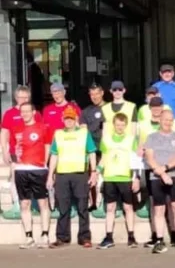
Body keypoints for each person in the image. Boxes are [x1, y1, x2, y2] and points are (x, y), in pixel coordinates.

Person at [3, 101, 52, 249]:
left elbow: (47, 146)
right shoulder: (16, 128)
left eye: (27, 111)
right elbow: (12, 148)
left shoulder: (43, 127)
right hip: (21, 170)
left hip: (38, 170)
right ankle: (29, 237)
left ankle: (44, 235)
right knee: (24, 203)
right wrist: (13, 162)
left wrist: (45, 164)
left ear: (33, 112)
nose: (24, 114)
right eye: (22, 111)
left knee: (43, 203)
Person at [47, 107, 97, 248]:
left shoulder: (83, 133)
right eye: (66, 118)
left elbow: (92, 152)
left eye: (71, 118)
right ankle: (62, 238)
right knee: (63, 208)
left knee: (82, 207)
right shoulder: (58, 134)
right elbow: (54, 155)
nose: (69, 121)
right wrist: (50, 175)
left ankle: (84, 237)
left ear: (75, 119)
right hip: (62, 174)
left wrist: (93, 171)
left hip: (80, 174)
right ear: (63, 120)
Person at [144, 112, 175, 254]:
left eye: (170, 120)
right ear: (160, 120)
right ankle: (159, 240)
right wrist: (162, 173)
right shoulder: (151, 138)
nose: (167, 122)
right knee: (159, 210)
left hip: (174, 176)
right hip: (156, 176)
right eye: (165, 120)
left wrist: (166, 168)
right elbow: (149, 158)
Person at [98, 113, 140, 249]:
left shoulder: (131, 139)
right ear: (114, 125)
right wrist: (97, 172)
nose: (120, 127)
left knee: (128, 207)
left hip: (125, 178)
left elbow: (136, 160)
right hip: (110, 177)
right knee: (110, 208)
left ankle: (132, 237)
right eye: (117, 125)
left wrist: (136, 178)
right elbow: (103, 158)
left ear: (126, 125)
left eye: (122, 125)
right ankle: (109, 237)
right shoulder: (106, 139)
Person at [80, 84, 107, 151]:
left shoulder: (110, 108)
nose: (94, 97)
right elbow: (83, 133)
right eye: (92, 94)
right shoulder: (85, 111)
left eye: (97, 94)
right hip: (91, 150)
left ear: (102, 93)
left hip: (106, 149)